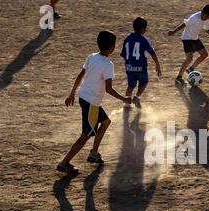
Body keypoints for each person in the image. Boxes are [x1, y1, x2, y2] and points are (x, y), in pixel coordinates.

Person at [57, 31, 132, 174]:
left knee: (105, 122)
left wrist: (72, 93)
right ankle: (64, 162)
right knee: (85, 135)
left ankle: (94, 153)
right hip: (92, 102)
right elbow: (108, 89)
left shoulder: (91, 57)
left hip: (84, 98)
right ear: (112, 47)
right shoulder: (108, 65)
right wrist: (124, 99)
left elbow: (81, 75)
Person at [167, 4, 209, 86]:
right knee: (189, 57)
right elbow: (184, 24)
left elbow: (207, 29)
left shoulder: (206, 20)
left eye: (207, 18)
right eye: (205, 16)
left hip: (195, 38)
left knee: (204, 54)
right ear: (201, 12)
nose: (205, 19)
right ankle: (179, 77)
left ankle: (191, 69)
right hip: (187, 38)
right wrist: (173, 31)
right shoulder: (194, 18)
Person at [121, 17, 161, 109]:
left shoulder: (127, 38)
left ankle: (126, 105)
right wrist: (157, 64)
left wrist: (128, 62)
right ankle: (137, 96)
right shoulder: (144, 39)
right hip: (141, 67)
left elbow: (123, 54)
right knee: (144, 82)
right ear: (143, 29)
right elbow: (152, 52)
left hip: (129, 67)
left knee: (130, 86)